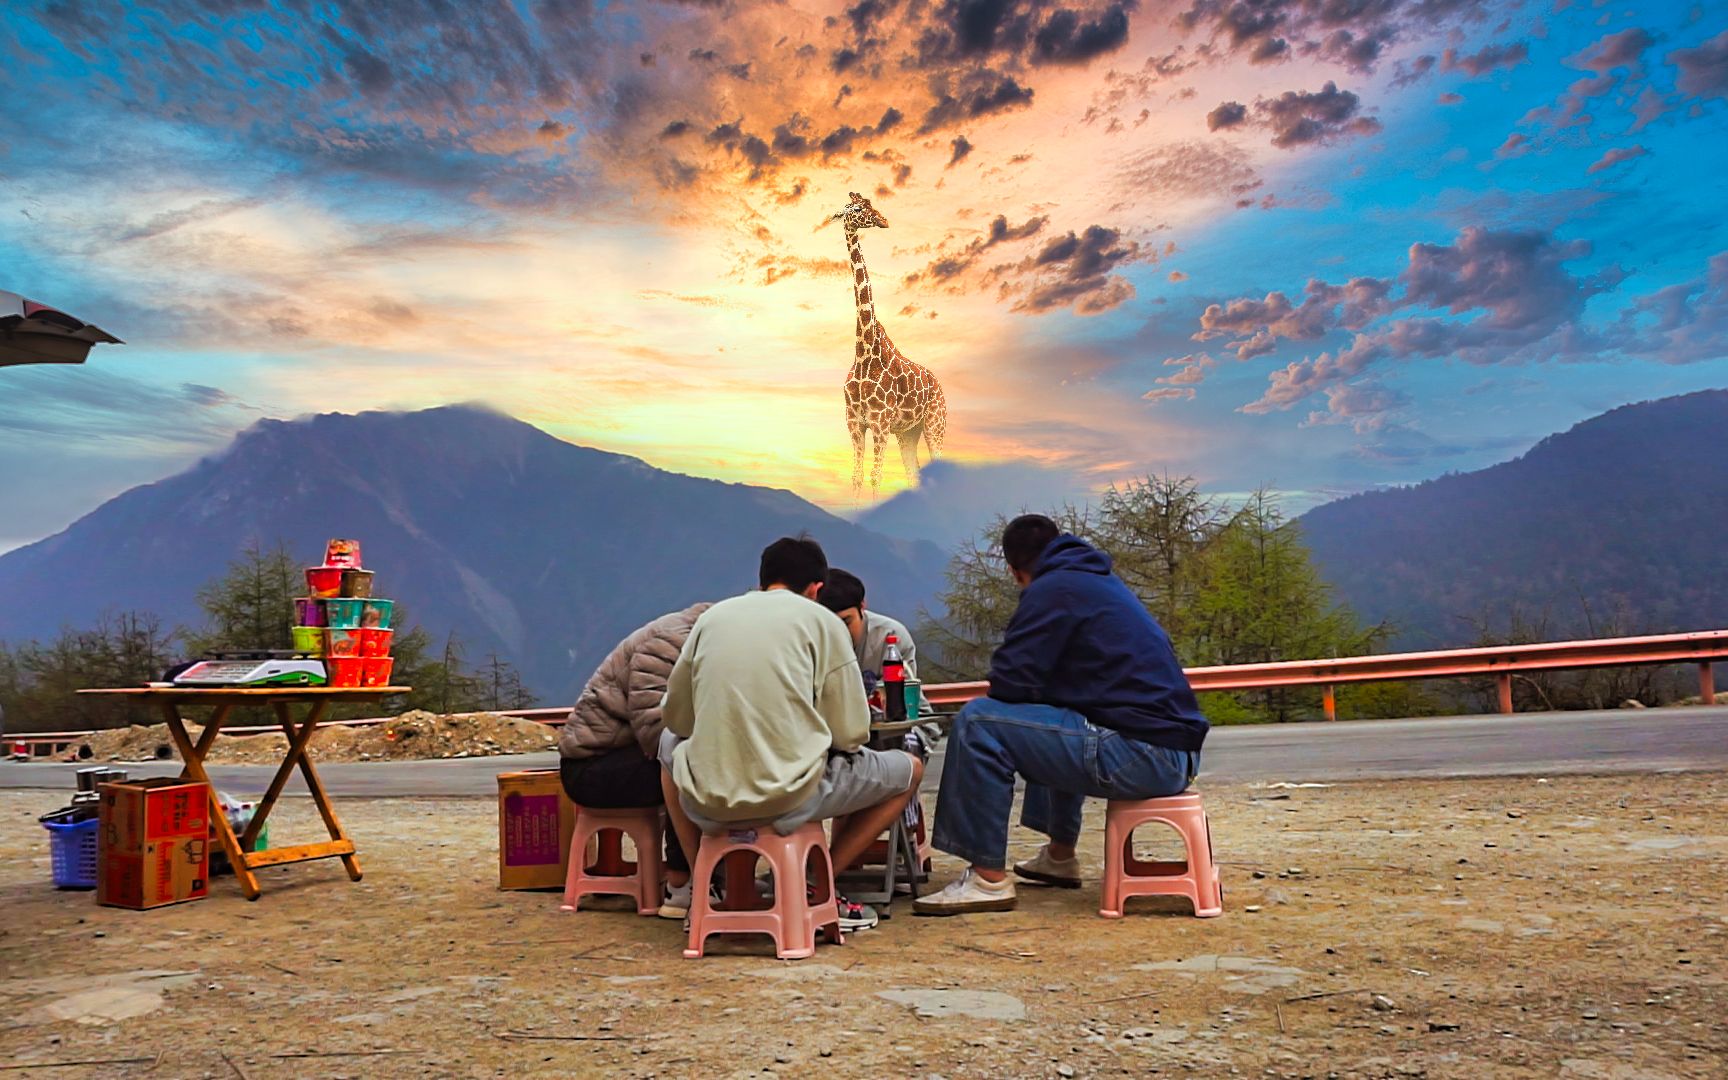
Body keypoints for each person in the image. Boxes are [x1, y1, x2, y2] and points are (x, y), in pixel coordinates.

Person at [914, 514, 1208, 916]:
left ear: (1015, 570)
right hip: (1173, 753)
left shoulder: (1053, 589)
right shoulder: (1094, 580)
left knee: (978, 721)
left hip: (1144, 755)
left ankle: (986, 879)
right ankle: (1059, 856)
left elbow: (1010, 681)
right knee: (1055, 714)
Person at [658, 536, 925, 932]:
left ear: (763, 579)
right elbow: (851, 734)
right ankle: (818, 885)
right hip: (791, 795)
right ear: (817, 589)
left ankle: (711, 889)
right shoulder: (822, 623)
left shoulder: (712, 620)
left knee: (668, 746)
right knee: (911, 770)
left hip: (708, 799)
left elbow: (678, 719)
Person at [557, 601, 712, 919]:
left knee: (702, 764)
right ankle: (683, 884)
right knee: (689, 768)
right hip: (593, 766)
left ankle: (708, 874)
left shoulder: (693, 638)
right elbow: (657, 732)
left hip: (621, 754)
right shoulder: (667, 643)